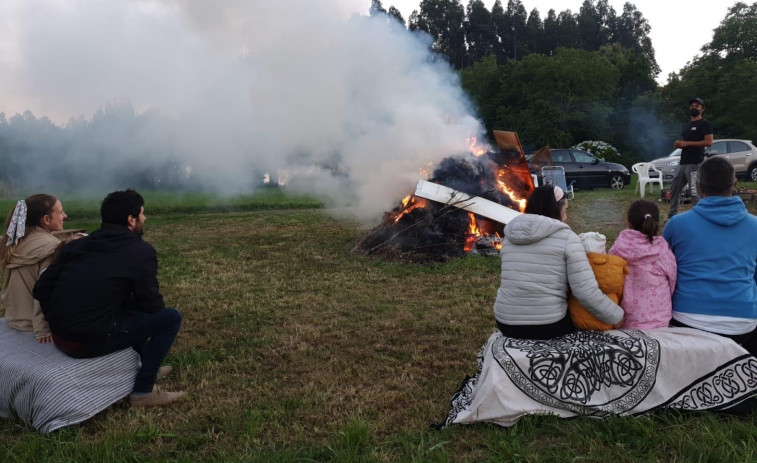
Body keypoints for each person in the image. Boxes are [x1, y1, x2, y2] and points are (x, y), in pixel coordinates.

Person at [33, 189, 185, 407]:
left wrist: (57, 319)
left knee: (128, 306)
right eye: (142, 214)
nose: (145, 218)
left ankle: (148, 364)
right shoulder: (140, 251)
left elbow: (41, 289)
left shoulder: (77, 245)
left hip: (60, 337)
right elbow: (150, 304)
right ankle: (143, 391)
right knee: (170, 318)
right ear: (130, 219)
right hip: (87, 343)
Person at [493, 185, 624, 339]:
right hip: (548, 324)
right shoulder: (567, 238)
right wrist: (616, 316)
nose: (566, 217)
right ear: (556, 209)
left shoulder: (509, 237)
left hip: (506, 323)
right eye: (566, 210)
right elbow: (585, 291)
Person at [663, 156, 757, 354]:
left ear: (699, 186)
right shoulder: (755, 226)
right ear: (735, 184)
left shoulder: (677, 224)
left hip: (686, 320)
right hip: (743, 323)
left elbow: (663, 271)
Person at [0, 194, 76, 342]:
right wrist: (43, 329)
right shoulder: (52, 248)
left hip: (14, 318)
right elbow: (45, 290)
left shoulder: (14, 241)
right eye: (60, 212)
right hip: (34, 325)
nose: (65, 216)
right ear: (46, 219)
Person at [609, 200, 677, 329]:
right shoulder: (664, 251)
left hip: (625, 323)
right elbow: (672, 283)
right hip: (660, 323)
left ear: (629, 223)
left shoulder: (617, 250)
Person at [568, 232, 629, 331]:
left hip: (577, 321)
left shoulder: (575, 268)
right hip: (607, 324)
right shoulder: (616, 268)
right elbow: (620, 294)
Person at [667, 97, 713, 219]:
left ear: (702, 109)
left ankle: (699, 217)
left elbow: (709, 142)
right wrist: (679, 144)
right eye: (692, 106)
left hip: (695, 163)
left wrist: (686, 143)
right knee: (674, 189)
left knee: (694, 192)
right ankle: (672, 215)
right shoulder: (687, 126)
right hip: (683, 162)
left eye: (697, 106)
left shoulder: (705, 124)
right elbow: (686, 144)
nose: (694, 107)